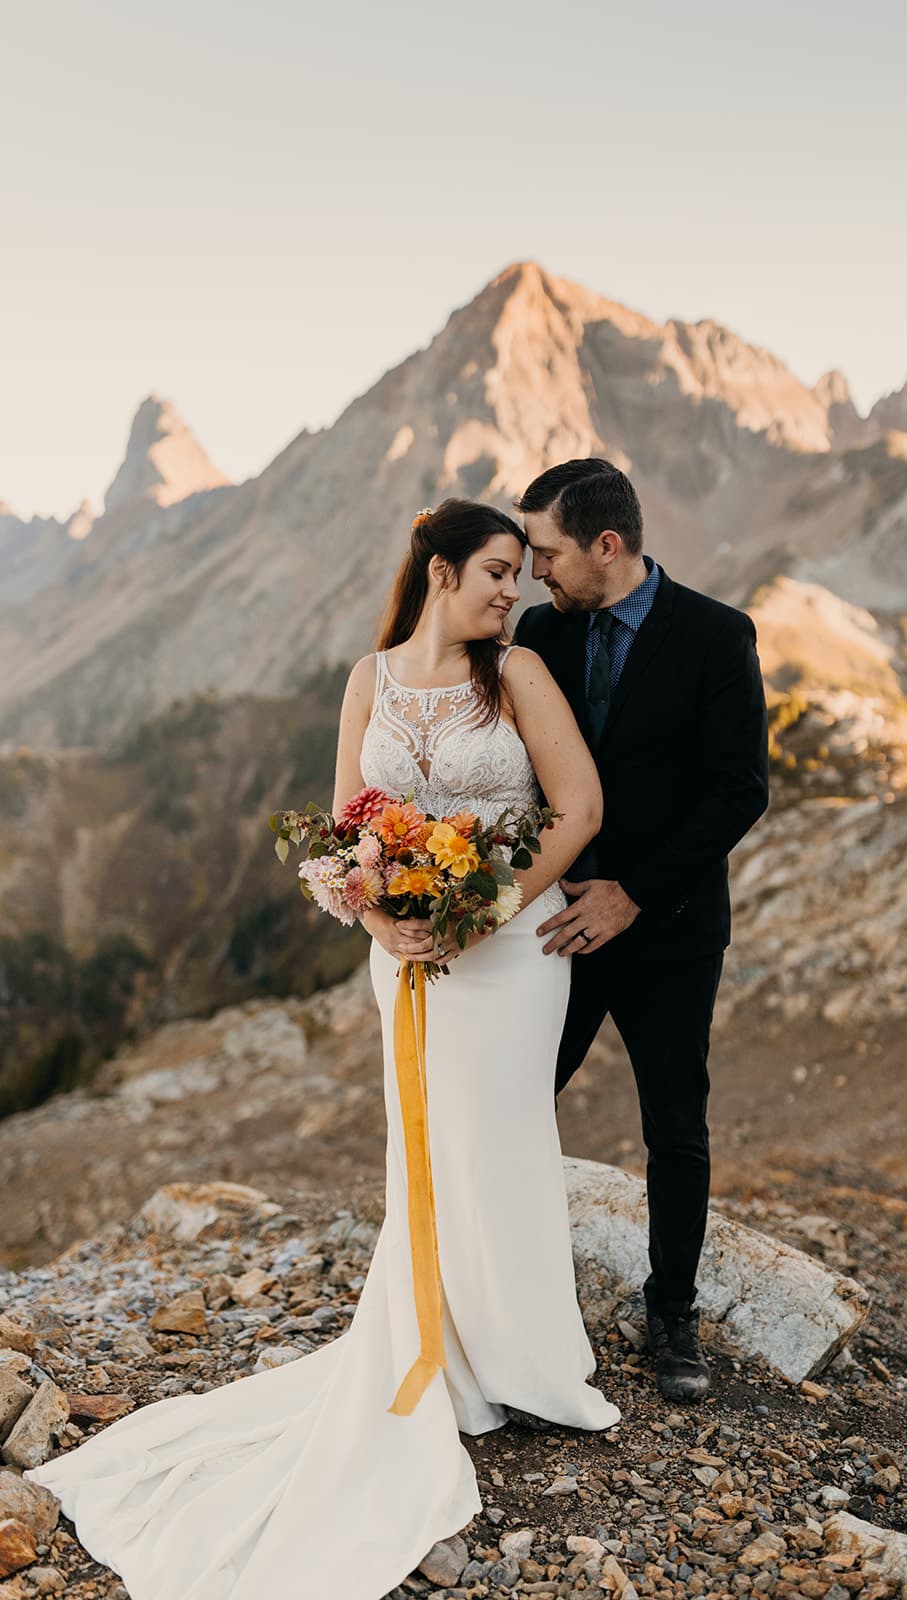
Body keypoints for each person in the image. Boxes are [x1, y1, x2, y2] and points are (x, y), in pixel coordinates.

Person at [25, 498, 620, 1600]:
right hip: (403, 957)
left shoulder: (521, 674)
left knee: (499, 1139)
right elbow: (346, 828)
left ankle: (526, 1358)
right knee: (423, 1146)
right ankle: (433, 1349)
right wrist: (373, 911)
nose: (512, 591)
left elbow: (576, 808)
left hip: (511, 951)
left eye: (516, 574)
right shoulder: (367, 679)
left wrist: (487, 904)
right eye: (495, 571)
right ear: (440, 572)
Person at [512, 459, 769, 1403]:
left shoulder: (714, 634)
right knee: (513, 1096)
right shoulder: (540, 632)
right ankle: (506, 1297)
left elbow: (739, 789)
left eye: (546, 552)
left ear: (605, 546)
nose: (536, 572)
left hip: (668, 928)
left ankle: (672, 1318)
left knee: (674, 1126)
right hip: (557, 928)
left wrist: (637, 892)